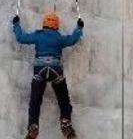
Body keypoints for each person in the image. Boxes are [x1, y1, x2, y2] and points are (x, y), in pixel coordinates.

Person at [13, 11, 83, 139]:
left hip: (40, 70)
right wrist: (79, 28)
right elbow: (72, 39)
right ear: (56, 25)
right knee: (63, 100)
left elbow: (21, 38)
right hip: (56, 70)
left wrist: (16, 24)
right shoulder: (59, 38)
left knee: (35, 101)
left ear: (44, 23)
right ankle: (66, 123)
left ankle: (33, 126)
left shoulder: (38, 35)